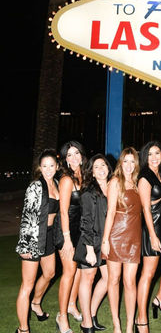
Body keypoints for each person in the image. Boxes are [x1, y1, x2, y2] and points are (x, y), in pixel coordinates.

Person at [15, 149, 60, 333]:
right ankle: (23, 329)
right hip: (33, 238)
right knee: (27, 284)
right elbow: (27, 216)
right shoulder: (35, 186)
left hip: (48, 236)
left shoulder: (56, 183)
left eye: (51, 165)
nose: (48, 169)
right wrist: (24, 245)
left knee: (49, 273)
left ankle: (36, 303)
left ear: (57, 167)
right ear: (39, 168)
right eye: (44, 166)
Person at [101, 147, 142, 333]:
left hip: (134, 238)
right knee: (114, 280)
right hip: (116, 236)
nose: (129, 165)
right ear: (120, 163)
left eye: (132, 161)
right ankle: (117, 324)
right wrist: (105, 240)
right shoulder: (115, 181)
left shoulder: (138, 183)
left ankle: (129, 326)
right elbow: (110, 213)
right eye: (125, 161)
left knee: (130, 282)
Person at [136, 141, 161, 332]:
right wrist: (152, 235)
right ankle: (141, 319)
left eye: (157, 153)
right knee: (148, 273)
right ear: (145, 157)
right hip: (151, 227)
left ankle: (159, 298)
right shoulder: (145, 176)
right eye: (150, 154)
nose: (154, 157)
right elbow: (145, 208)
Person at [74, 154, 113, 333]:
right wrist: (89, 250)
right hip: (90, 242)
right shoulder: (89, 192)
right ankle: (86, 323)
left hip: (105, 242)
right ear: (92, 172)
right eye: (96, 167)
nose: (101, 169)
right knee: (87, 279)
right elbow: (86, 222)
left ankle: (92, 314)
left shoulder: (112, 187)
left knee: (108, 279)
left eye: (103, 165)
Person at [54, 140, 87, 333]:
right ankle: (62, 316)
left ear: (82, 155)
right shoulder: (67, 180)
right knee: (69, 272)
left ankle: (72, 305)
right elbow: (64, 212)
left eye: (76, 153)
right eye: (69, 155)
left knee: (80, 271)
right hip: (66, 230)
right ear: (65, 160)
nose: (74, 158)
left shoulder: (84, 176)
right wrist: (67, 239)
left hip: (80, 230)